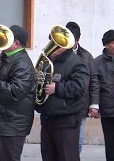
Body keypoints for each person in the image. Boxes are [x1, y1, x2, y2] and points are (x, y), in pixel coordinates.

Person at [0, 25, 36, 161]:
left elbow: (17, 91)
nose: (2, 41)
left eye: (7, 39)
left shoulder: (22, 64)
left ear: (16, 44)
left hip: (12, 124)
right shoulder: (4, 56)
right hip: (1, 120)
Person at [35, 30, 90, 161]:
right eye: (51, 43)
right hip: (48, 117)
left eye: (57, 45)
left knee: (67, 156)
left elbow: (80, 87)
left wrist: (57, 88)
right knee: (48, 156)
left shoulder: (78, 62)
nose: (52, 47)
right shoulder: (48, 61)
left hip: (67, 119)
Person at [65, 21, 100, 154]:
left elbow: (94, 80)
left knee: (77, 139)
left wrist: (94, 105)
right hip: (62, 105)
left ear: (77, 40)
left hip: (81, 105)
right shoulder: (56, 53)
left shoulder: (86, 56)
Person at [94, 30, 114, 161]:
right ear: (106, 45)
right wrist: (94, 105)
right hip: (107, 107)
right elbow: (94, 86)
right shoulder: (97, 62)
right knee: (111, 142)